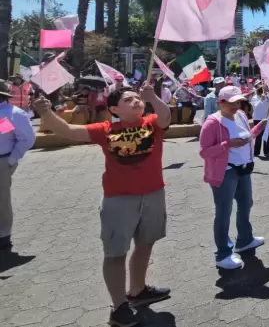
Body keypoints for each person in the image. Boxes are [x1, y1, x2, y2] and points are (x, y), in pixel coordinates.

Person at [33, 85, 172, 326]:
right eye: (129, 99)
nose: (137, 101)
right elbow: (67, 130)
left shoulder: (151, 123)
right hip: (118, 200)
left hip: (153, 195)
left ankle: (138, 291)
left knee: (145, 244)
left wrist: (152, 97)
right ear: (114, 109)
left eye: (138, 98)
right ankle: (119, 306)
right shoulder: (106, 129)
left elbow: (166, 116)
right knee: (116, 253)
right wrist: (46, 113)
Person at [199, 85, 266, 270]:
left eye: (239, 102)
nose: (236, 106)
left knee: (246, 204)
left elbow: (246, 137)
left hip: (244, 170)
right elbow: (204, 152)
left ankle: (245, 239)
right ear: (221, 102)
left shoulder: (242, 116)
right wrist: (226, 144)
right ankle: (223, 254)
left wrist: (257, 130)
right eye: (232, 103)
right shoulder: (212, 123)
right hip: (225, 172)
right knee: (223, 212)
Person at [0, 80, 36, 252]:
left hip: (2, 160)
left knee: (1, 200)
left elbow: (26, 139)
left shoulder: (11, 114)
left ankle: (3, 236)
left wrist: (11, 159)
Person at [250, 84, 269, 157]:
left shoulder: (267, 97)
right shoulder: (254, 98)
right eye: (264, 90)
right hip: (258, 118)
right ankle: (256, 152)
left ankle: (267, 152)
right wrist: (261, 99)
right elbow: (256, 107)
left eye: (266, 90)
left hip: (266, 118)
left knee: (267, 136)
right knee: (258, 136)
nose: (266, 91)